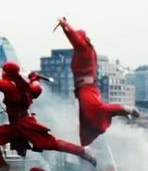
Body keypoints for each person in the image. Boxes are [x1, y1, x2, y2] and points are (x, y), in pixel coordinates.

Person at [0, 62, 96, 171]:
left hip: (24, 125)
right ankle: (3, 166)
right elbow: (36, 88)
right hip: (17, 124)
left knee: (50, 144)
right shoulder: (24, 85)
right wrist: (34, 78)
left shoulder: (9, 86)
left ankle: (82, 151)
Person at [55, 17, 139, 146]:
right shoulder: (83, 52)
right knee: (86, 123)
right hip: (83, 89)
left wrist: (65, 26)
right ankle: (85, 148)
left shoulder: (84, 50)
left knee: (96, 110)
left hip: (86, 88)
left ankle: (123, 109)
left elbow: (75, 38)